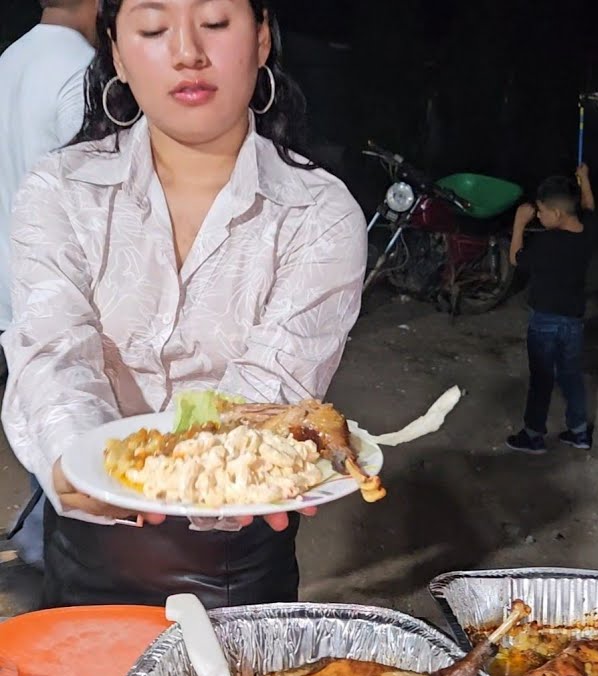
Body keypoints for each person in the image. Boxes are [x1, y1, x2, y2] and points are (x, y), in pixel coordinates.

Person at [1, 0, 365, 608]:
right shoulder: (58, 191)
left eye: (217, 23)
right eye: (152, 27)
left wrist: (165, 473)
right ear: (117, 50)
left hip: (236, 565)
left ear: (262, 39)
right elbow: (52, 350)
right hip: (85, 552)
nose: (188, 52)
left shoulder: (319, 215)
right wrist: (79, 461)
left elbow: (266, 393)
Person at [0, 0, 99, 571]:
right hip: (59, 290)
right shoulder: (83, 72)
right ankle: (56, 548)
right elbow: (91, 195)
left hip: (15, 283)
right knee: (71, 419)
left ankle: (42, 541)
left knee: (43, 411)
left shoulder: (12, 58)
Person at [505, 165, 596, 454]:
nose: (539, 216)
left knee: (542, 379)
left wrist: (519, 224)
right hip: (573, 322)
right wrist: (585, 181)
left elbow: (516, 259)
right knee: (571, 376)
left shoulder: (545, 242)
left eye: (541, 211)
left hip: (544, 321)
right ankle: (580, 432)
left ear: (556, 214)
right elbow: (588, 208)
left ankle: (533, 435)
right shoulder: (587, 233)